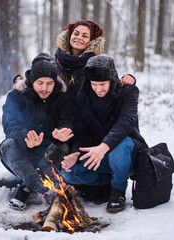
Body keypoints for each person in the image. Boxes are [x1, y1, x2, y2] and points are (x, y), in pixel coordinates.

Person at [60, 55, 147, 213]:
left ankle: (118, 191)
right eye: (94, 84)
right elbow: (82, 133)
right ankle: (107, 182)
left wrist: (104, 146)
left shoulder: (128, 91)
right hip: (99, 155)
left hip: (129, 152)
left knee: (119, 147)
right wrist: (74, 154)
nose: (98, 89)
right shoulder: (83, 96)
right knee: (68, 174)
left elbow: (126, 121)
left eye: (102, 84)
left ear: (111, 80)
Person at [0, 53, 74, 210]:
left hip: (48, 154)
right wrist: (26, 138)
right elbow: (11, 124)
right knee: (7, 145)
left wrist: (60, 132)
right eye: (40, 83)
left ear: (55, 82)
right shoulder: (16, 96)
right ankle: (46, 190)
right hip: (23, 152)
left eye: (49, 83)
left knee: (62, 146)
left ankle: (26, 189)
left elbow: (67, 121)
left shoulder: (62, 97)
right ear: (31, 81)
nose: (45, 88)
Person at [55, 20, 135, 104]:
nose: (79, 37)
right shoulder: (56, 61)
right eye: (76, 34)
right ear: (69, 35)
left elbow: (113, 85)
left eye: (85, 36)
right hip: (60, 113)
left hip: (86, 113)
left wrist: (129, 78)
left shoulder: (97, 64)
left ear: (91, 41)